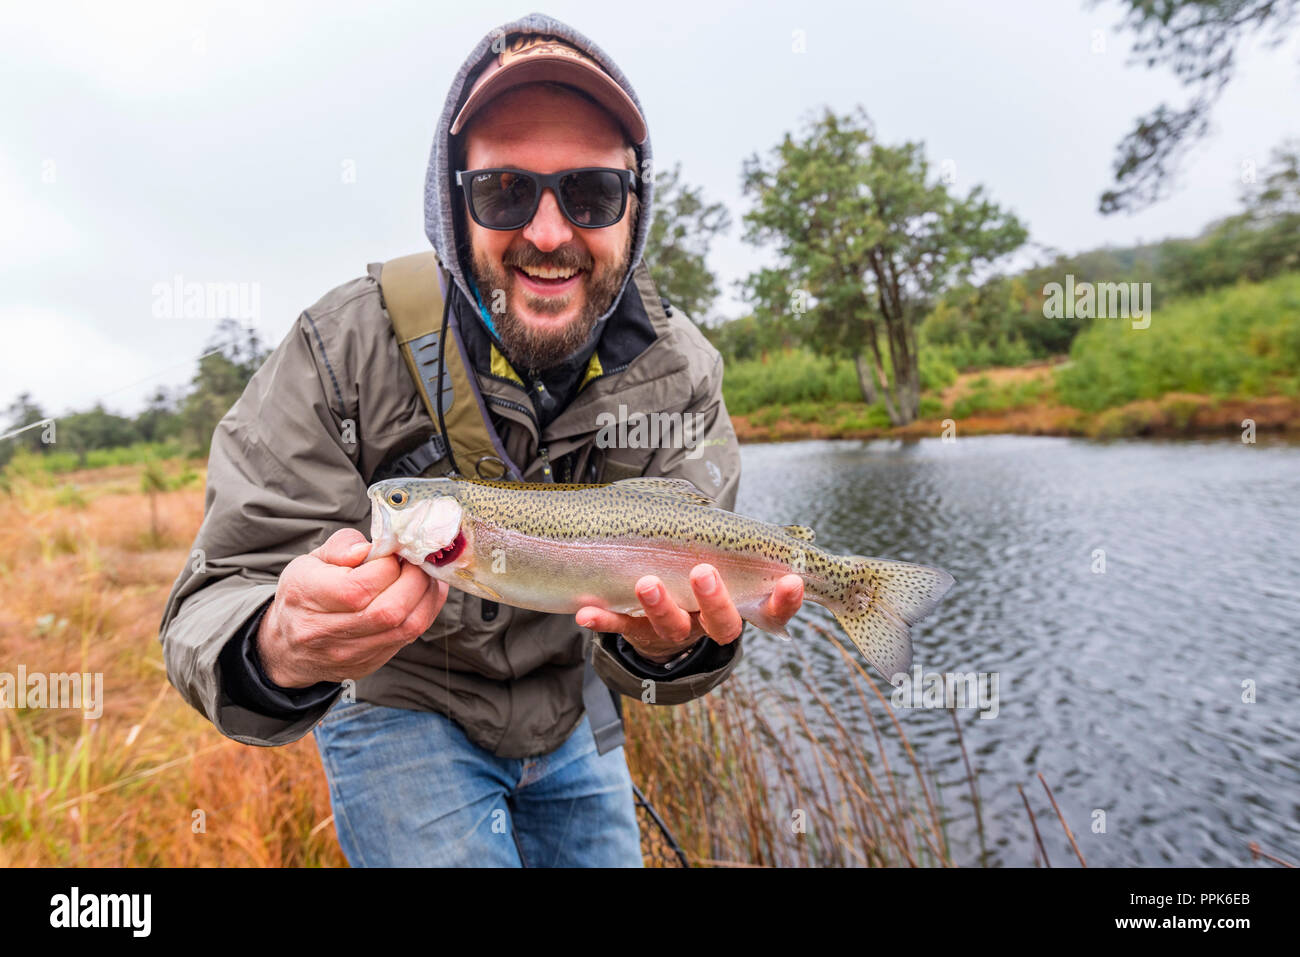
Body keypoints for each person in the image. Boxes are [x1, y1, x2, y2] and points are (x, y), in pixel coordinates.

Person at [159, 12, 803, 867]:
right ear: (450, 203)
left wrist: (679, 646)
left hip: (573, 713)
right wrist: (278, 644)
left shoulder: (679, 373)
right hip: (399, 706)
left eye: (591, 194)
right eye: (504, 191)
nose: (547, 232)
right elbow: (212, 598)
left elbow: (668, 657)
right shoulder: (344, 346)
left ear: (633, 210)